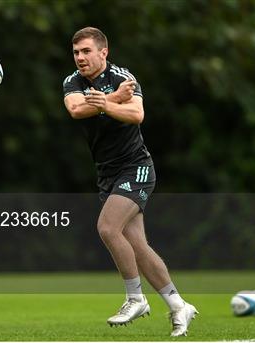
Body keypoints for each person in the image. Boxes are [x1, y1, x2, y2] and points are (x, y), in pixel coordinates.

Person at [62, 27, 199, 337]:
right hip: (107, 172)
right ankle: (179, 306)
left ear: (103, 52)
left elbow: (136, 114)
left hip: (135, 167)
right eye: (76, 52)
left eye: (86, 51)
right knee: (137, 245)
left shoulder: (124, 76)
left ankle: (135, 298)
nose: (80, 58)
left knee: (107, 228)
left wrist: (105, 102)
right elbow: (75, 109)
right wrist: (112, 100)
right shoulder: (72, 82)